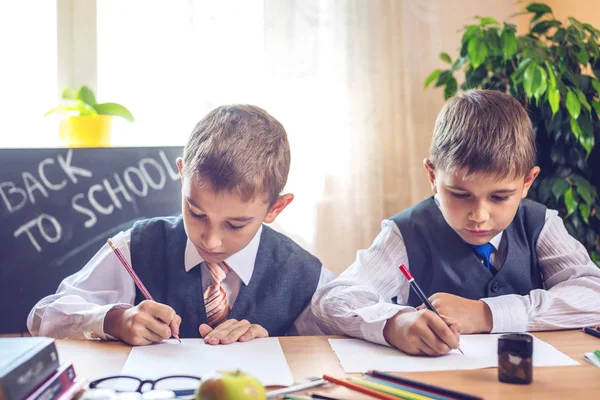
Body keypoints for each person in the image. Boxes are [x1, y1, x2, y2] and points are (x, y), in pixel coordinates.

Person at [311, 90, 600, 356]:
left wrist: (487, 314)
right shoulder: (407, 232)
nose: (479, 215)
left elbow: (593, 294)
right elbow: (333, 299)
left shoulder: (540, 225)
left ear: (527, 182)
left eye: (500, 197)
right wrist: (395, 323)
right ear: (433, 176)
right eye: (460, 195)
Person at [28, 104, 332, 346]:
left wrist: (275, 346)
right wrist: (114, 320)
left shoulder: (305, 273)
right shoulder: (137, 245)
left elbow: (337, 348)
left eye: (236, 225)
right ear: (182, 176)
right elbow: (43, 317)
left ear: (275, 208)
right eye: (196, 212)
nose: (211, 241)